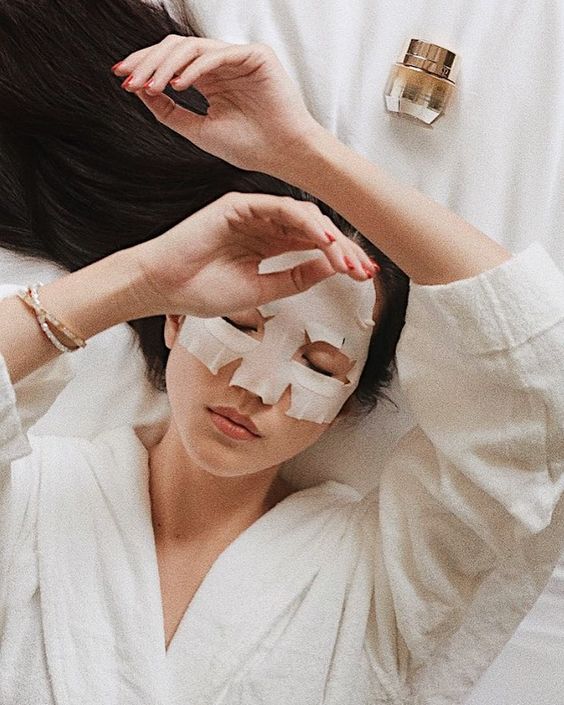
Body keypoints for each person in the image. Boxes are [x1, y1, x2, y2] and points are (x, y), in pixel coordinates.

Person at [1, 7, 563, 705]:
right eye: (239, 325)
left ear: (348, 405)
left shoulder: (383, 579)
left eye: (321, 367)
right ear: (175, 319)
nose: (258, 386)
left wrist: (302, 151)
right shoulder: (34, 497)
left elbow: (537, 389)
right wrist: (140, 278)